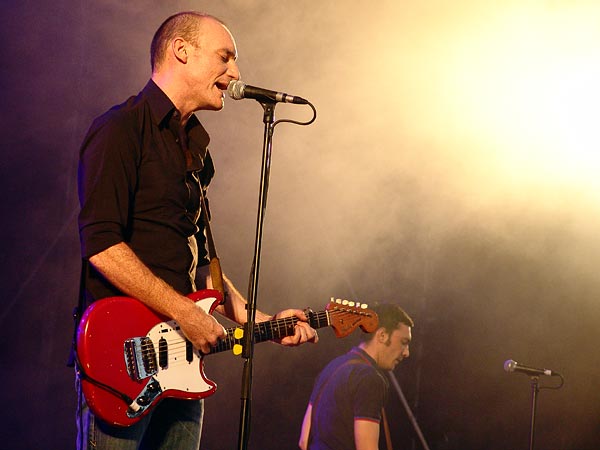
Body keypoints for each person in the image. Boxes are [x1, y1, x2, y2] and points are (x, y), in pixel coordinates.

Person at [75, 11, 318, 450]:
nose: (236, 73)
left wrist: (261, 322)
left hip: (182, 367)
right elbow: (102, 245)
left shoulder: (197, 152)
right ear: (181, 51)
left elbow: (203, 267)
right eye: (225, 57)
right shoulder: (121, 130)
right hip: (122, 360)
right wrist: (185, 314)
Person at [298, 304, 414, 450]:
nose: (406, 353)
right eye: (404, 343)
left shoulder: (331, 368)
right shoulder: (370, 379)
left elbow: (303, 441)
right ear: (382, 335)